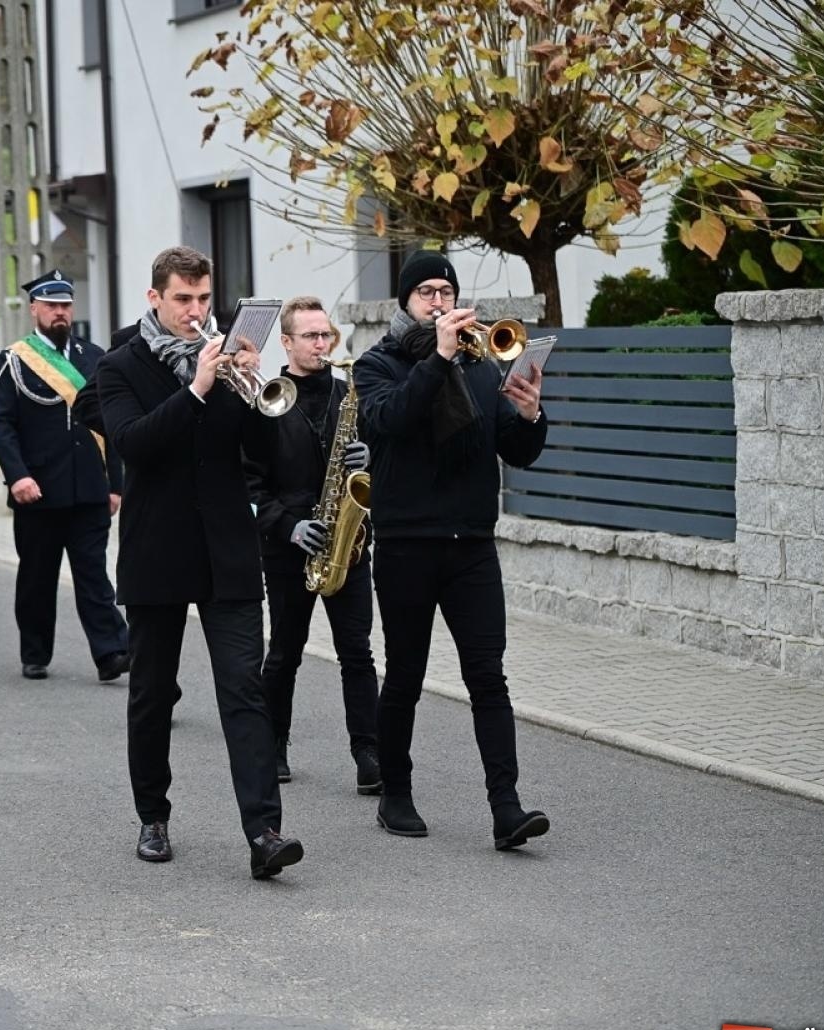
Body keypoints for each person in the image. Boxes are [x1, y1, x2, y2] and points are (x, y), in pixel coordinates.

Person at [94, 245, 303, 880]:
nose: (196, 311)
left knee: (244, 689)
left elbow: (268, 453)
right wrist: (198, 388)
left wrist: (254, 379)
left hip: (227, 551)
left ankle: (264, 831)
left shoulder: (228, 361)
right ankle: (152, 816)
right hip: (157, 547)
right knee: (153, 693)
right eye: (183, 299)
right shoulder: (119, 366)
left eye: (204, 299)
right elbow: (134, 445)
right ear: (154, 298)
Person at [352, 251, 551, 851]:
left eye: (446, 290)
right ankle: (396, 794)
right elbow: (392, 419)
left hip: (472, 547)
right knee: (406, 676)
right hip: (407, 545)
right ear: (406, 303)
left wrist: (530, 413)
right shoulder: (376, 364)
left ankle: (506, 808)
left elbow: (517, 453)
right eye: (426, 293)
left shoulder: (486, 367)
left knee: (488, 677)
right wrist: (438, 357)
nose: (438, 301)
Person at [244, 296, 380, 790]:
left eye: (327, 336)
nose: (322, 344)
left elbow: (375, 470)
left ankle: (369, 753)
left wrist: (371, 460)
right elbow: (250, 484)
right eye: (311, 336)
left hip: (347, 542)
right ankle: (274, 745)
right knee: (284, 652)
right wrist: (289, 526)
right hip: (290, 548)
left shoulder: (352, 395)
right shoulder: (268, 400)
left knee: (357, 654)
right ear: (287, 342)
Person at [0, 269, 129, 683]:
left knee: (94, 576)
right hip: (38, 491)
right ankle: (35, 652)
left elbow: (111, 423)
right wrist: (17, 477)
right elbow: (1, 424)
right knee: (36, 577)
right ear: (35, 309)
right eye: (51, 306)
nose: (60, 313)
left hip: (88, 490)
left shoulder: (94, 355)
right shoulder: (15, 359)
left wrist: (115, 483)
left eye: (65, 305)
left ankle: (112, 653)